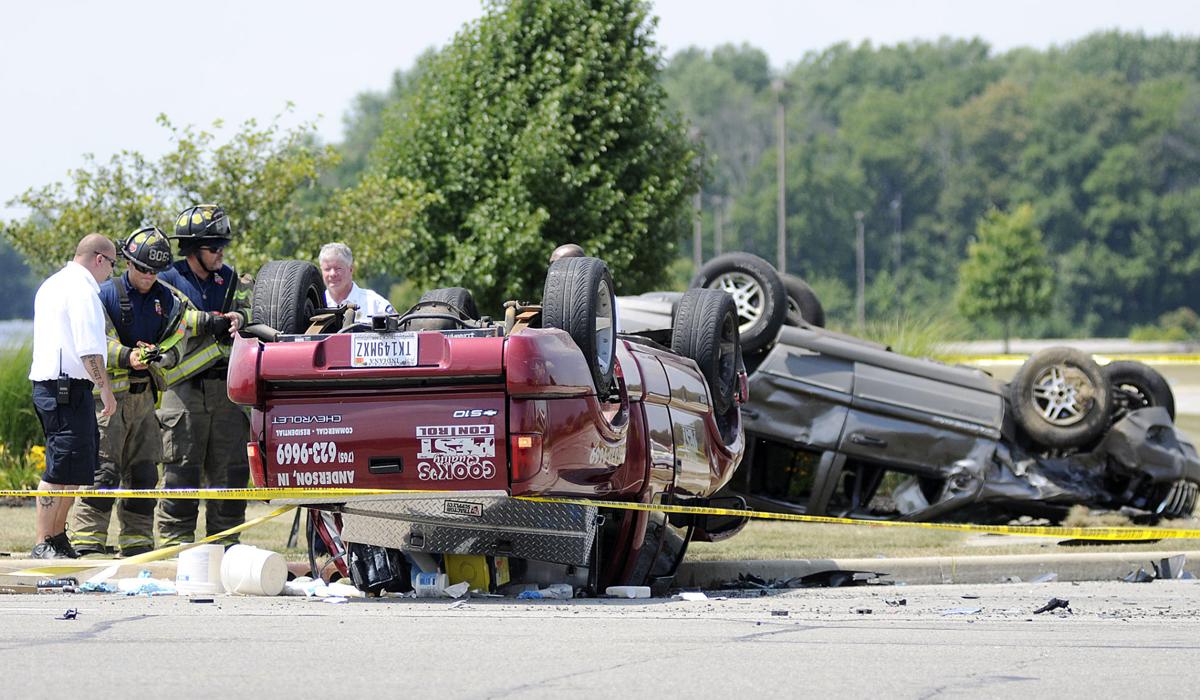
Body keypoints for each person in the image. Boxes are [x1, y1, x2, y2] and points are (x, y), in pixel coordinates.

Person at [71, 227, 189, 556]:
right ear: (128, 263)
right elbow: (94, 342)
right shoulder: (105, 295)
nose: (149, 276)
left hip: (145, 400)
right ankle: (87, 543)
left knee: (144, 473)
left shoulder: (167, 299)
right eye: (143, 269)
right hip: (109, 401)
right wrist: (128, 356)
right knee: (103, 472)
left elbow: (179, 337)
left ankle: (137, 544)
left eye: (155, 271)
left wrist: (161, 355)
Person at [155, 204, 254, 546]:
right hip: (183, 391)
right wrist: (203, 322)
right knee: (179, 471)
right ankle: (174, 549)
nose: (221, 253)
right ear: (193, 250)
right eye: (214, 248)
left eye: (223, 246)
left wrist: (240, 319)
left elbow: (251, 309)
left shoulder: (230, 278)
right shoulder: (167, 280)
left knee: (232, 473)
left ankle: (226, 547)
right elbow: (160, 326)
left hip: (227, 391)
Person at [28, 233, 118, 559]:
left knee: (75, 469)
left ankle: (56, 538)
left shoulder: (54, 283)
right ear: (99, 259)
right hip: (65, 388)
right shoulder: (81, 291)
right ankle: (43, 542)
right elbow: (89, 350)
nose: (111, 271)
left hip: (59, 387)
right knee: (60, 467)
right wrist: (105, 388)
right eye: (111, 264)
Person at [319, 242, 395, 322]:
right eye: (327, 269)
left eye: (338, 269)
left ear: (351, 269)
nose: (332, 274)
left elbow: (398, 328)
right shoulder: (315, 305)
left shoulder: (374, 303)